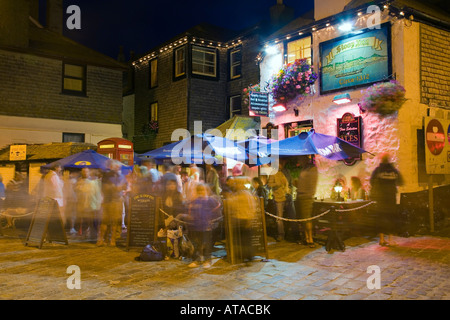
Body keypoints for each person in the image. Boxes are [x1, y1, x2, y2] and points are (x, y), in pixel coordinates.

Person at [370, 153, 404, 247]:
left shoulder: (378, 170)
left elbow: (371, 181)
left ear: (381, 160)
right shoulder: (394, 170)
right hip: (391, 198)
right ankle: (390, 239)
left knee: (381, 219)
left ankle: (381, 239)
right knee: (391, 218)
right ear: (389, 160)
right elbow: (401, 181)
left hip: (381, 198)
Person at [186, 183, 221, 268]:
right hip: (196, 227)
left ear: (207, 191)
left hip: (207, 227)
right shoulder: (195, 201)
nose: (200, 192)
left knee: (207, 244)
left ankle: (207, 260)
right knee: (197, 244)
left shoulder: (210, 200)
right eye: (199, 190)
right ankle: (197, 260)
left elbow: (218, 208)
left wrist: (212, 219)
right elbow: (191, 212)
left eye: (202, 190)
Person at [228, 176, 259, 264]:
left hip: (244, 219)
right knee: (241, 239)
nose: (235, 185)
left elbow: (251, 207)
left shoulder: (245, 194)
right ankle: (243, 256)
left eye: (236, 183)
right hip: (239, 219)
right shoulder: (238, 194)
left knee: (246, 239)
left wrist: (250, 218)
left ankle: (248, 256)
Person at [97, 160, 127, 247]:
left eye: (118, 167)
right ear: (112, 167)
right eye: (116, 167)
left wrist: (121, 187)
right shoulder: (107, 176)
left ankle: (111, 240)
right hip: (108, 201)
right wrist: (115, 188)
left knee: (114, 222)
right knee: (105, 221)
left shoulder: (121, 176)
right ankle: (102, 239)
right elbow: (105, 188)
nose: (118, 168)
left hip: (116, 200)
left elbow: (125, 186)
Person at [295, 156, 318, 247]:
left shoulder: (312, 168)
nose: (298, 161)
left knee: (307, 218)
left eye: (300, 159)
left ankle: (310, 239)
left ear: (304, 159)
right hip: (300, 196)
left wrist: (309, 194)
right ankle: (305, 237)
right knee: (302, 219)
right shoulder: (304, 168)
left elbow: (313, 183)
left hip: (306, 197)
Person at [74, 168, 102, 240]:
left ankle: (92, 234)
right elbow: (76, 189)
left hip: (90, 204)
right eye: (84, 172)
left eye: (86, 172)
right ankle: (85, 233)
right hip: (82, 203)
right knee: (84, 219)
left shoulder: (92, 181)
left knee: (91, 220)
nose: (85, 173)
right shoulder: (79, 180)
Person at [267, 164, 289, 242]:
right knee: (279, 218)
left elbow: (286, 183)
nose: (280, 165)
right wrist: (277, 184)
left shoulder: (281, 173)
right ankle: (281, 234)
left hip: (284, 197)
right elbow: (269, 185)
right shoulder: (273, 174)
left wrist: (286, 188)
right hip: (278, 198)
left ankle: (285, 233)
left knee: (282, 217)